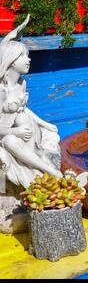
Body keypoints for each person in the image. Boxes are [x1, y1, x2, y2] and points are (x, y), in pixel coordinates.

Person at [0, 16, 62, 188]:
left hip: (25, 132)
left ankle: (40, 168)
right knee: (9, 141)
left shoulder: (21, 84)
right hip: (6, 135)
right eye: (23, 56)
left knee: (23, 120)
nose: (29, 60)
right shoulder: (1, 91)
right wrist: (16, 131)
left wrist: (45, 124)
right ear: (10, 60)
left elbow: (23, 110)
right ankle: (49, 171)